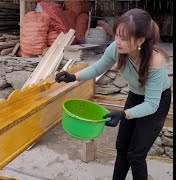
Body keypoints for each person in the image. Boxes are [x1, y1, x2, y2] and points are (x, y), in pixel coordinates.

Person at [55, 8, 171, 180]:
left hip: (156, 103)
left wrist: (123, 114)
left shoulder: (155, 61)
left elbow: (151, 104)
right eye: (117, 35)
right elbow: (98, 67)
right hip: (135, 96)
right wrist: (73, 76)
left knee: (136, 155)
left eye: (123, 38)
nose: (117, 41)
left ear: (140, 39)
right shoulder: (116, 49)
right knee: (121, 147)